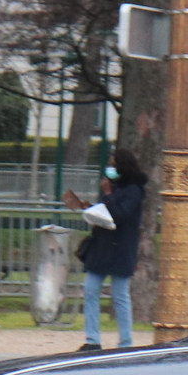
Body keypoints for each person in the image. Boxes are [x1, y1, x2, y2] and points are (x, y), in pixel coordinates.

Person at [64, 149, 147, 350]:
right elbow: (106, 211)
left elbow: (120, 215)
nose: (110, 168)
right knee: (91, 289)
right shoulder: (115, 187)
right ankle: (93, 339)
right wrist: (90, 207)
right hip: (103, 245)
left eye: (113, 164)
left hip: (121, 246)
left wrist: (108, 195)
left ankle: (125, 342)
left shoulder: (133, 189)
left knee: (120, 295)